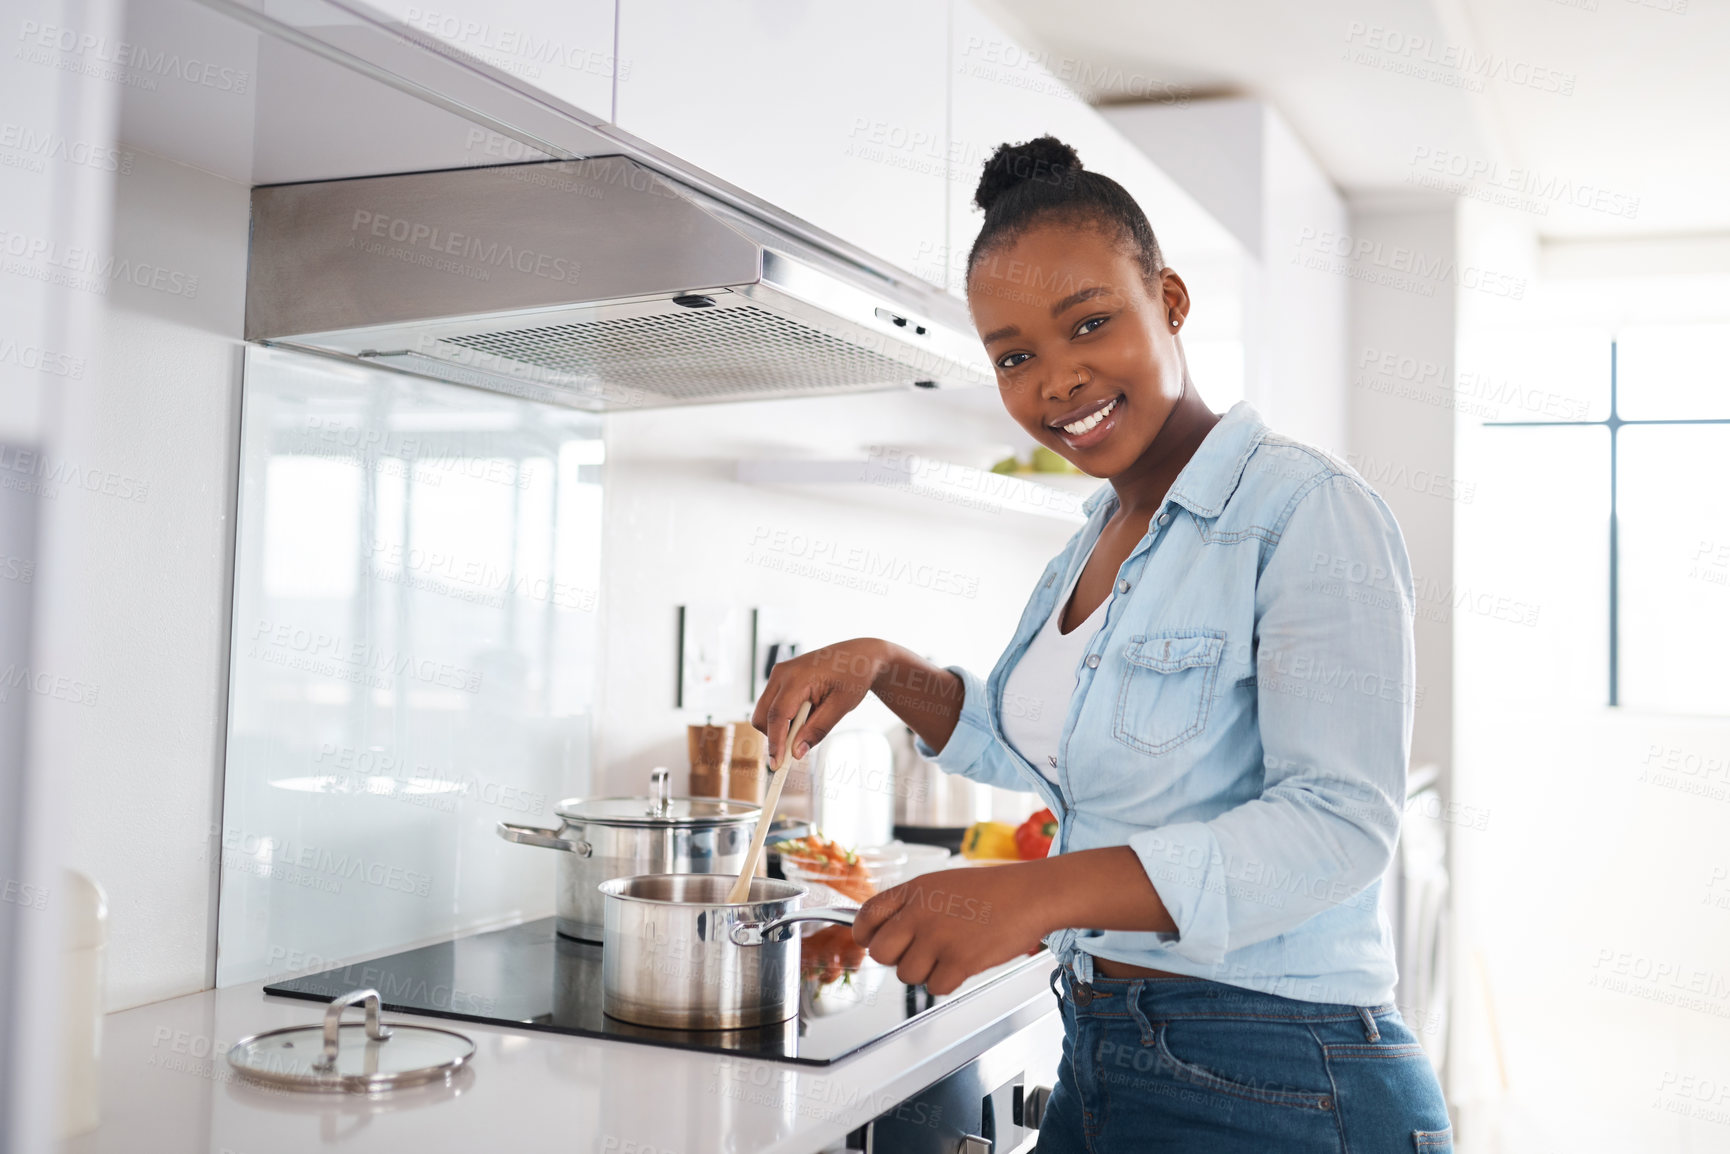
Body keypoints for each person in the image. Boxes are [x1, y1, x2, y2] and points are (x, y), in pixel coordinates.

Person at [751, 136, 1453, 1152]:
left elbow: (1335, 827)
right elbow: (1034, 743)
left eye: (1089, 322)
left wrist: (1031, 894)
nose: (1057, 379)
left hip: (1277, 1077)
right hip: (1105, 1049)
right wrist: (882, 665)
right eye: (1014, 356)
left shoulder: (1304, 509)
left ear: (1167, 299)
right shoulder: (1093, 535)